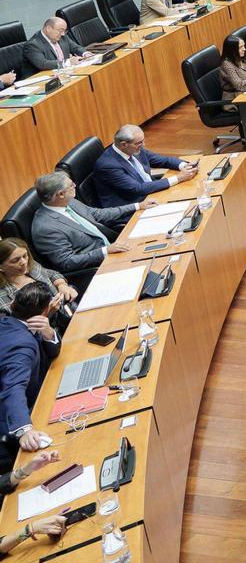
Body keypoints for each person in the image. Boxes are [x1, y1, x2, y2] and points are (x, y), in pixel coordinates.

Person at [0, 283, 61, 475]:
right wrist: (24, 430)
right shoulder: (20, 344)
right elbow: (13, 388)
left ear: (12, 305)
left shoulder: (8, 322)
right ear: (46, 309)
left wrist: (49, 333)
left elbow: (50, 351)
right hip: (8, 422)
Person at [30, 171, 140, 272]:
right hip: (99, 266)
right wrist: (105, 251)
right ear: (61, 194)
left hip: (114, 247)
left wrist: (137, 206)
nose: (75, 186)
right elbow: (66, 262)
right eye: (71, 185)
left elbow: (98, 214)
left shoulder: (69, 202)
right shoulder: (45, 228)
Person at [93, 124, 196, 207]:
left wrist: (184, 165)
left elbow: (162, 160)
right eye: (139, 143)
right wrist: (179, 178)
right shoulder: (107, 165)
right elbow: (138, 189)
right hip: (133, 204)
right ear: (124, 144)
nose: (143, 145)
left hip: (150, 193)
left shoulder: (134, 148)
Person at [0, 239, 76, 317]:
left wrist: (62, 285)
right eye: (15, 260)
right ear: (1, 267)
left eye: (25, 256)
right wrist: (47, 312)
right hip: (52, 327)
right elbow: (17, 326)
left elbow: (52, 274)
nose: (24, 262)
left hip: (68, 311)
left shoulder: (31, 266)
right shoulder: (2, 297)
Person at [22, 17, 86, 78]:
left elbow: (75, 47)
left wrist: (86, 54)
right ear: (48, 28)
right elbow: (43, 64)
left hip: (64, 74)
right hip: (42, 80)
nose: (63, 34)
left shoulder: (62, 36)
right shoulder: (33, 45)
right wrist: (68, 62)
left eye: (64, 31)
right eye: (60, 30)